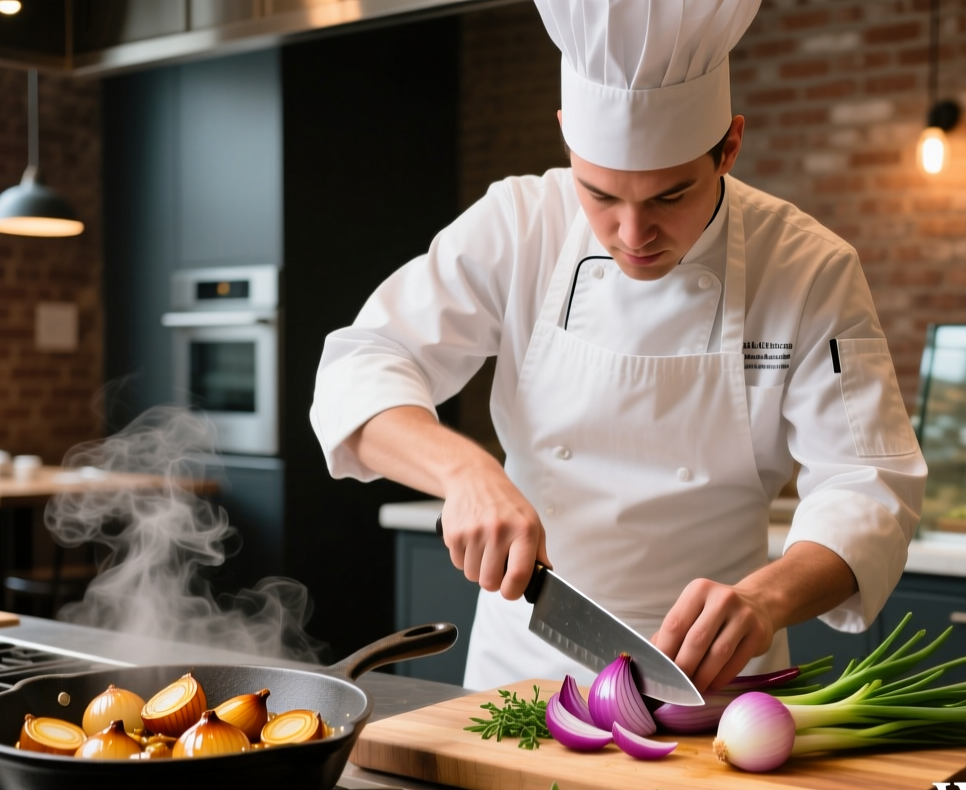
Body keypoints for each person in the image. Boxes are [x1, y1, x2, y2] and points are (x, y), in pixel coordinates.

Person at [312, 0, 926, 694]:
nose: (633, 233)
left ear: (730, 146)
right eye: (600, 194)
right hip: (521, 680)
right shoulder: (520, 225)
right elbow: (358, 367)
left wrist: (768, 598)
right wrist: (463, 472)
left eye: (671, 197)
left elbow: (867, 482)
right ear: (566, 136)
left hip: (712, 684)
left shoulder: (807, 268)